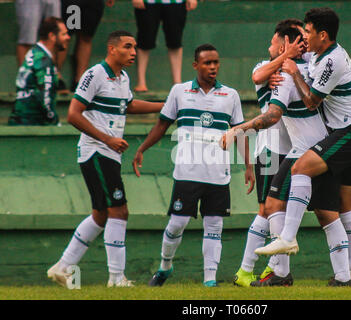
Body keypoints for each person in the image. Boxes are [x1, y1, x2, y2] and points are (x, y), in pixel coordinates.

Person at [254, 7, 351, 285]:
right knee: (344, 204)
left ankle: (287, 239)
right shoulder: (319, 55)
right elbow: (263, 74)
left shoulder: (332, 60)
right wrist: (286, 60)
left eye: (308, 32)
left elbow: (311, 101)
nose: (304, 37)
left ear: (323, 34)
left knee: (301, 168)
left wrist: (293, 72)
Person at [47, 30, 164, 288]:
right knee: (119, 211)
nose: (133, 52)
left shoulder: (122, 77)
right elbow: (73, 114)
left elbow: (129, 105)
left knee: (101, 214)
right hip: (96, 152)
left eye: (135, 47)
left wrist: (164, 106)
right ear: (112, 49)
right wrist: (106, 139)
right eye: (127, 47)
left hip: (108, 153)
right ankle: (115, 278)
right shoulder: (94, 74)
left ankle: (63, 267)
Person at [132, 44, 255, 287]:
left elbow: (240, 133)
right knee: (178, 223)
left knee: (214, 225)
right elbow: (161, 125)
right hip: (187, 172)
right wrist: (142, 149)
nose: (212, 67)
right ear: (195, 65)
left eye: (216, 62)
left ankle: (210, 280)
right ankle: (165, 266)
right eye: (207, 63)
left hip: (218, 173)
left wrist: (249, 166)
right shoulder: (179, 91)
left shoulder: (230, 95)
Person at [233, 19, 304, 288]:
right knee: (268, 209)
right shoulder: (265, 67)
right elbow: (257, 77)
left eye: (273, 42)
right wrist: (285, 58)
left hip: (292, 148)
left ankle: (262, 270)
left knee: (273, 210)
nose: (269, 46)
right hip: (272, 149)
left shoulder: (294, 69)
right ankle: (260, 270)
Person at [8, 17, 70, 126]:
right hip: (31, 123)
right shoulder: (44, 60)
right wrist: (55, 122)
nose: (68, 37)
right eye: (64, 34)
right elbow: (45, 97)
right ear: (52, 36)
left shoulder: (34, 52)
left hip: (20, 119)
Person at [132, 0, 198, 92]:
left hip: (176, 3)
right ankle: (141, 83)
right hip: (147, 3)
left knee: (175, 42)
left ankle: (177, 83)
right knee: (144, 41)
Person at [61, 0, 115, 91]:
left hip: (92, 3)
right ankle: (57, 78)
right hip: (73, 2)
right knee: (67, 35)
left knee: (86, 37)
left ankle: (80, 81)